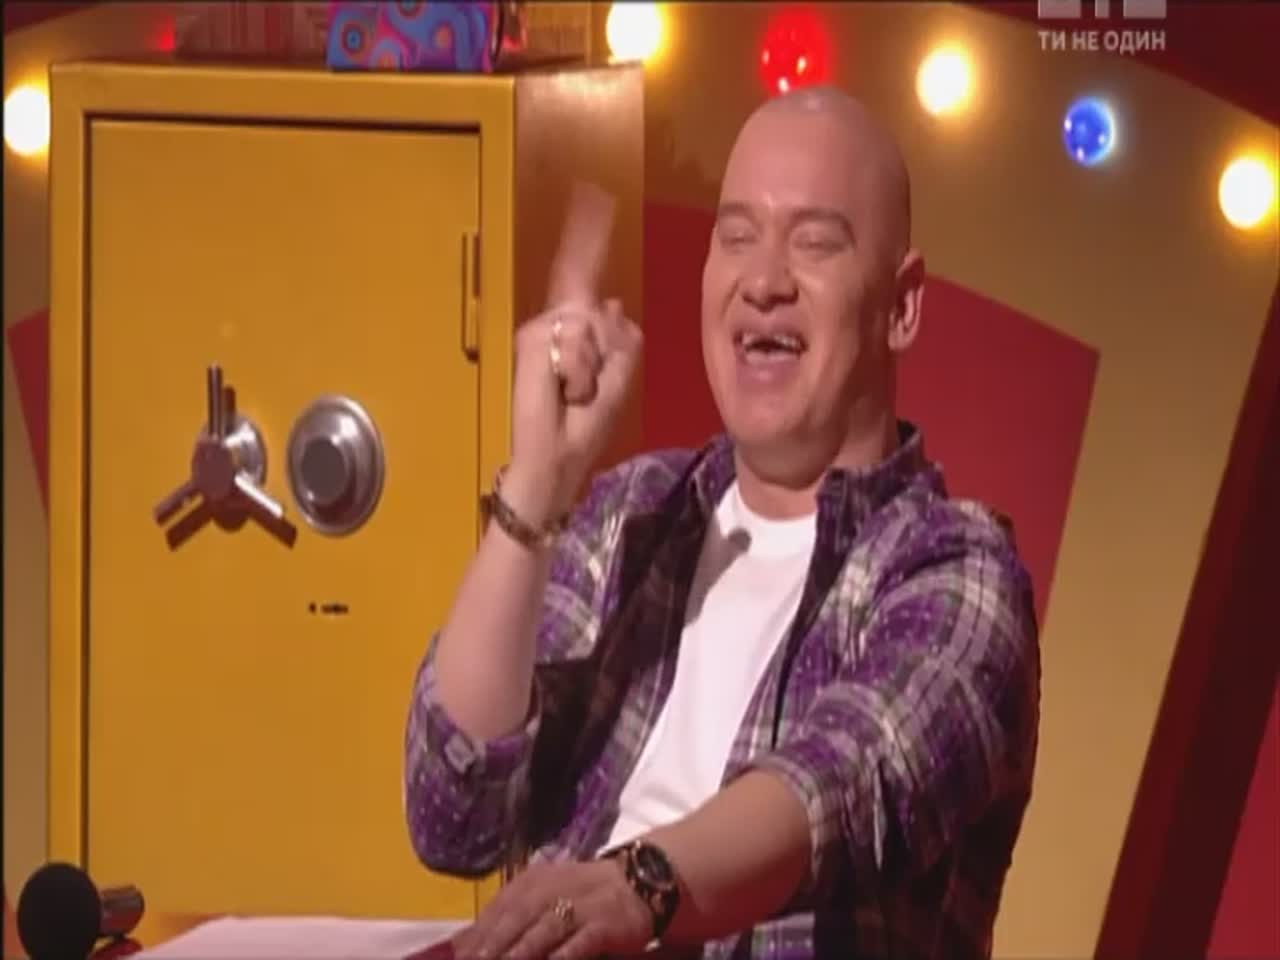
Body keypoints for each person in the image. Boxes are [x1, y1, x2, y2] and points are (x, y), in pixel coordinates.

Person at [403, 86, 1041, 960]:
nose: (763, 280)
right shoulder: (634, 514)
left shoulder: (955, 570)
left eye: (814, 242)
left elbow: (841, 781)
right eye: (736, 236)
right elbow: (452, 816)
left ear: (901, 305)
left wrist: (636, 889)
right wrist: (534, 490)